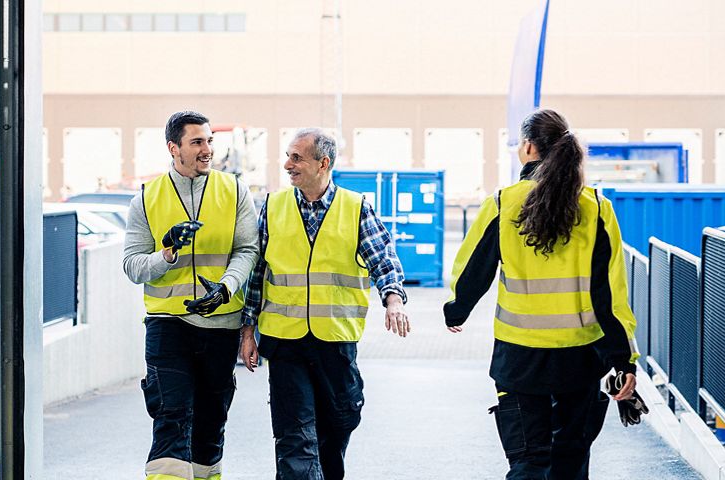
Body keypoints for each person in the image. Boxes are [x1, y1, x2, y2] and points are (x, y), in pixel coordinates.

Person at [443, 109, 639, 480]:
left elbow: (472, 269)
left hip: (519, 359)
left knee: (529, 463)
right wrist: (623, 360)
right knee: (570, 463)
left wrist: (457, 310)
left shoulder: (503, 203)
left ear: (529, 147)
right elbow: (610, 294)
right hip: (580, 358)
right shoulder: (597, 208)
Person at [239, 128, 410, 480]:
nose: (288, 165)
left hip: (335, 341)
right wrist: (247, 330)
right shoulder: (273, 206)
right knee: (294, 435)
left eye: (297, 158)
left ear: (323, 163)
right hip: (285, 341)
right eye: (288, 156)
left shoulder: (356, 208)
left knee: (337, 427)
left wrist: (393, 300)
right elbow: (257, 272)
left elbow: (383, 260)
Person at [122, 110, 258, 480]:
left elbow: (247, 250)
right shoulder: (147, 198)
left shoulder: (234, 191)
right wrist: (166, 254)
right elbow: (132, 266)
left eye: (210, 140)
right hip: (168, 325)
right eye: (197, 142)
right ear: (174, 148)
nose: (207, 149)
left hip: (221, 325)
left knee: (211, 423)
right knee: (171, 415)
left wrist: (226, 288)